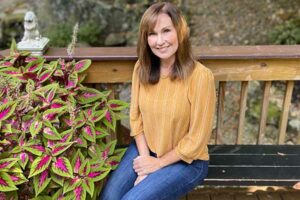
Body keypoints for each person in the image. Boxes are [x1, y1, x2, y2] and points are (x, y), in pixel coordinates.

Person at [100, 2, 216, 200]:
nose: (159, 41)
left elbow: (196, 140)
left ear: (180, 31)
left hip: (187, 161)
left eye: (166, 31)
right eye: (152, 34)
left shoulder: (200, 77)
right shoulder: (141, 68)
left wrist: (158, 164)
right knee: (109, 197)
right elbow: (136, 119)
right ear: (146, 39)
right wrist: (145, 162)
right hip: (146, 148)